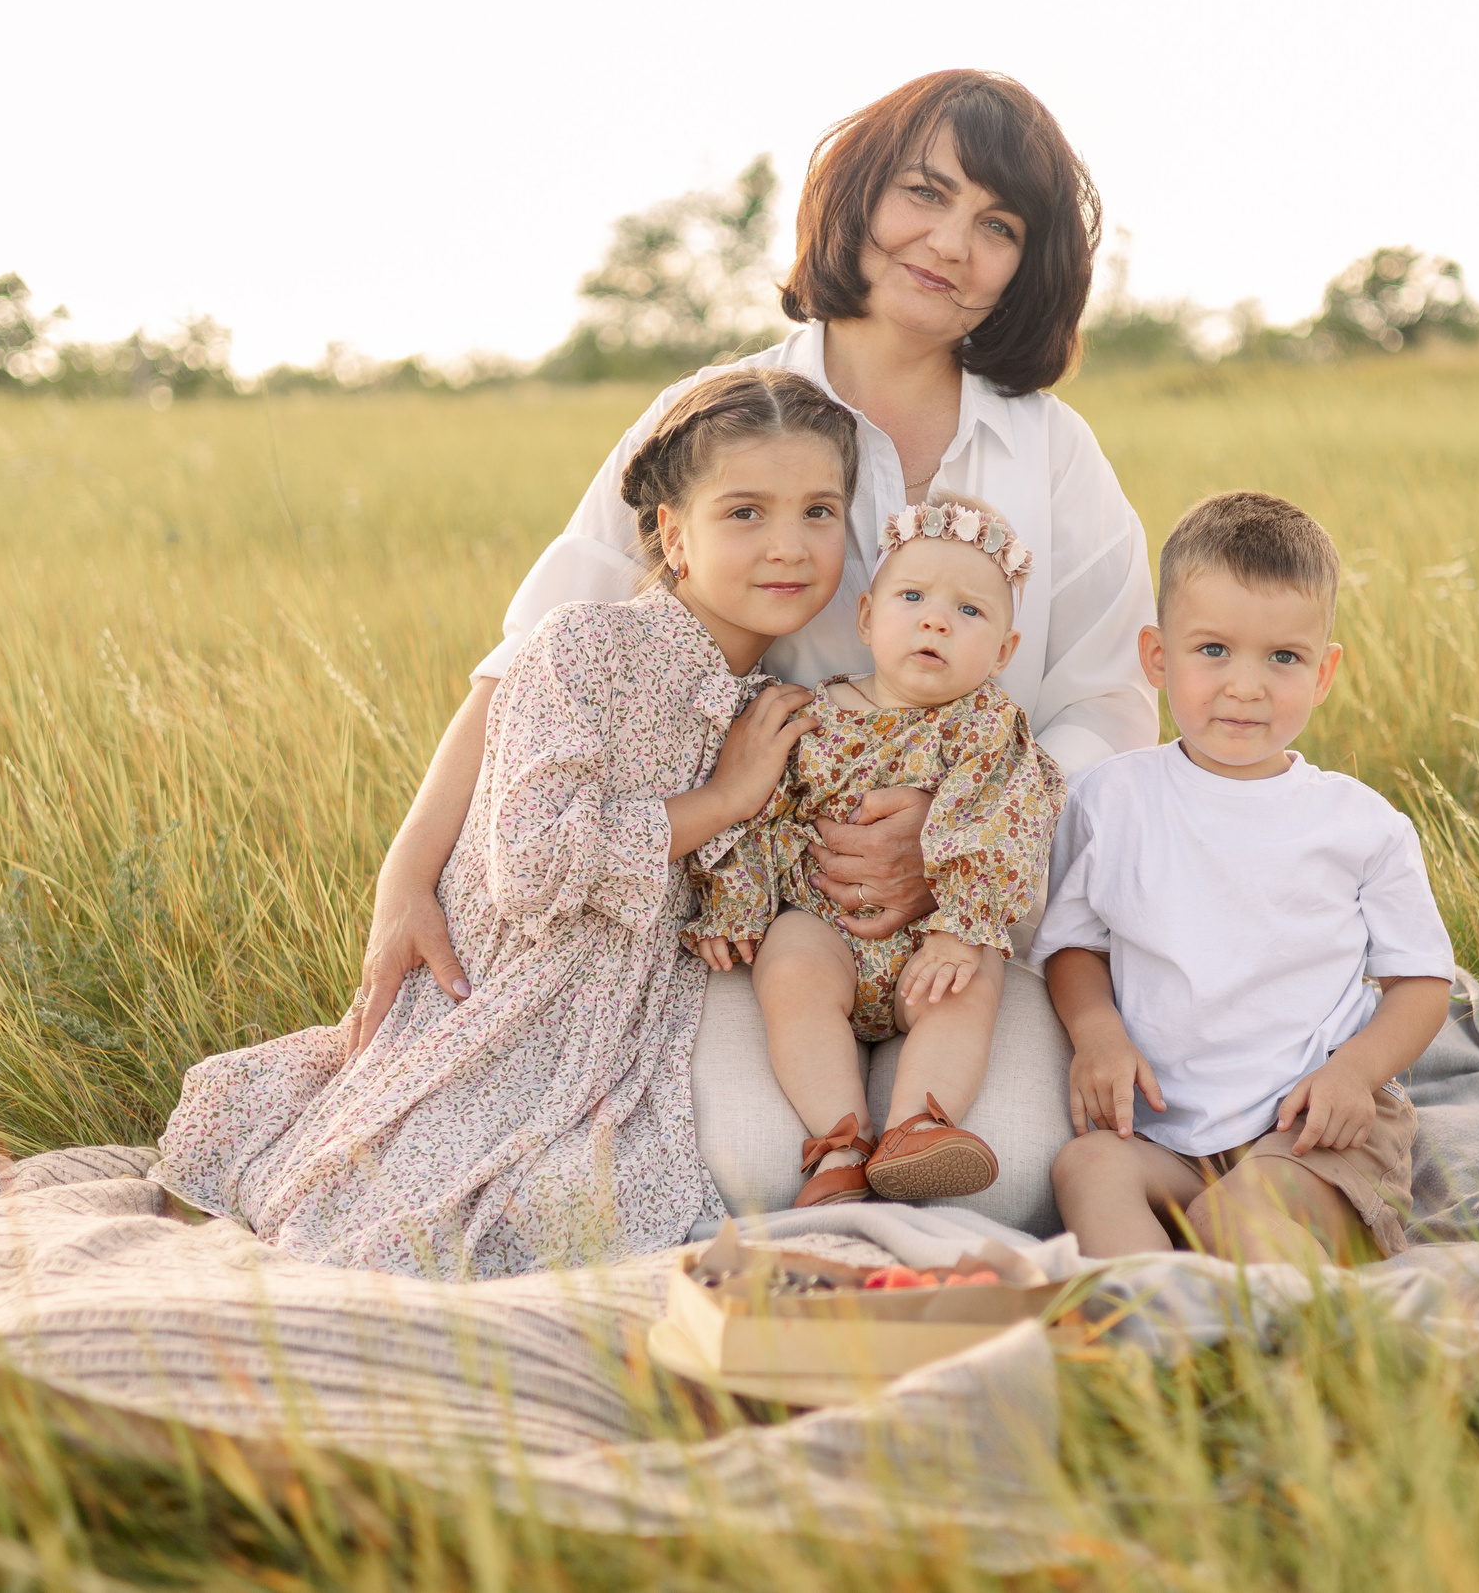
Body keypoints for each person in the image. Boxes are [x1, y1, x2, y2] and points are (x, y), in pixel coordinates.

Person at [344, 71, 1155, 1235]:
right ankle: (835, 1160)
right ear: (858, 196)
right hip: (759, 913)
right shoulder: (725, 409)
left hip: (975, 914)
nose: (949, 244)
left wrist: (949, 832)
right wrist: (406, 871)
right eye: (924, 195)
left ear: (1025, 270)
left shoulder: (1049, 448)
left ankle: (912, 1154)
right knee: (749, 1170)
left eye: (998, 227)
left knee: (1019, 1173)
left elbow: (1110, 701)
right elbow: (538, 651)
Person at [150, 371, 857, 1277]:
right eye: (746, 513)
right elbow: (531, 864)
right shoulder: (583, 647)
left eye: (819, 512)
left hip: (627, 1014)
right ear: (675, 536)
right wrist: (720, 801)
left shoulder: (766, 706)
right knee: (402, 1219)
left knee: (594, 1208)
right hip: (503, 991)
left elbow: (740, 884)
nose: (789, 547)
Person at [1041, 492, 1457, 1265]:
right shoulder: (1111, 800)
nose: (1245, 685)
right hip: (1171, 1133)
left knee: (1235, 1221)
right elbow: (1073, 945)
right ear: (1157, 656)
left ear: (1324, 671)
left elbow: (1423, 981)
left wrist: (1355, 1073)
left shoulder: (1359, 825)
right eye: (1212, 651)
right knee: (1086, 1166)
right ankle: (1156, 1326)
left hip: (1313, 1131)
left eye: (1283, 658)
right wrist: (1097, 1032)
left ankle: (1272, 1343)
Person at [686, 495, 1063, 1208]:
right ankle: (842, 1141)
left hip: (935, 934)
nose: (935, 619)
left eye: (970, 611)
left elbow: (1006, 822)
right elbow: (769, 819)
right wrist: (734, 904)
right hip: (824, 925)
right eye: (913, 596)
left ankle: (919, 1123)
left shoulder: (988, 728)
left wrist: (958, 926)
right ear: (866, 618)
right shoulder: (815, 716)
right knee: (789, 969)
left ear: (1004, 653)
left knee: (967, 987)